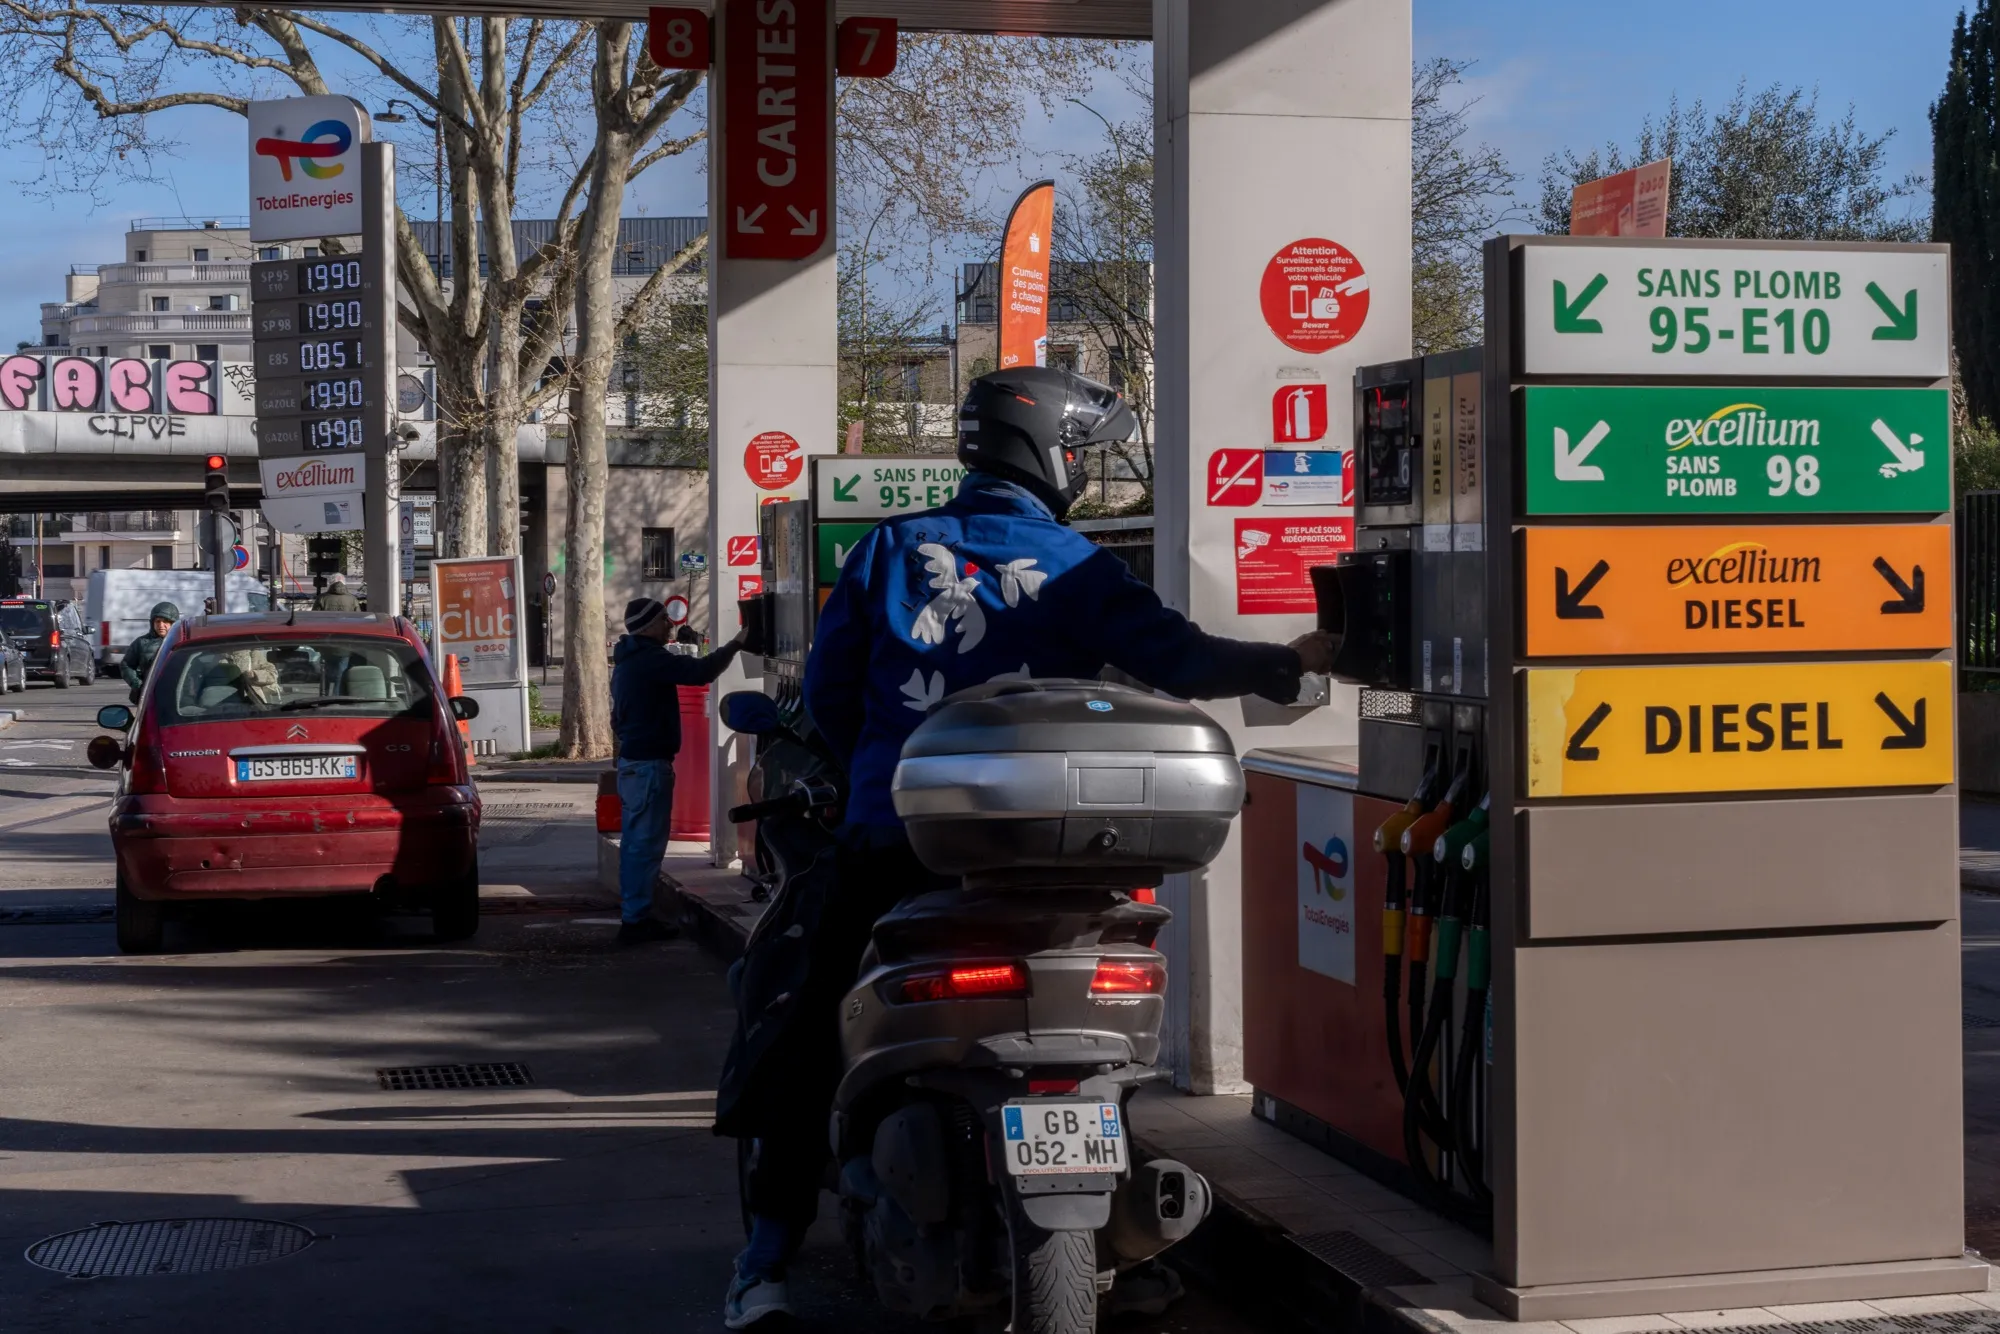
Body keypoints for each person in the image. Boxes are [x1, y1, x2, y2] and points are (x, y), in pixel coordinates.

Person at [720, 366, 1338, 1328]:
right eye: (1082, 453)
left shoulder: (891, 548)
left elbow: (835, 695)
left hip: (899, 850)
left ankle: (763, 1264)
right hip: (1063, 863)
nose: (1085, 471)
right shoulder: (1081, 567)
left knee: (806, 1033)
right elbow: (1181, 662)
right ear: (1051, 450)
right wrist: (1290, 661)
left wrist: (884, 777)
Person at [611, 598, 744, 946]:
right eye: (663, 620)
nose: (670, 625)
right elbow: (700, 673)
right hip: (649, 766)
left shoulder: (627, 661)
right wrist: (737, 643)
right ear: (648, 625)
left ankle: (635, 913)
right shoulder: (649, 660)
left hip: (634, 765)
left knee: (636, 844)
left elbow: (617, 719)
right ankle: (635, 921)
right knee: (645, 845)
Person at [120, 602, 180, 704]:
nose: (161, 625)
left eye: (165, 621)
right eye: (158, 621)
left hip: (177, 695)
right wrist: (138, 685)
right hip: (149, 697)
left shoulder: (181, 641)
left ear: (173, 623)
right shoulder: (141, 643)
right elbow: (126, 665)